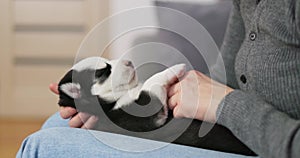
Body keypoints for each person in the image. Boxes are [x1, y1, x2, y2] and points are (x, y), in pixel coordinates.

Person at [17, 0, 300, 158]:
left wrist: (223, 104)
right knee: (57, 125)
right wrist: (108, 104)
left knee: (41, 146)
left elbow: (223, 97)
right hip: (232, 133)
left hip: (267, 147)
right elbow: (222, 79)